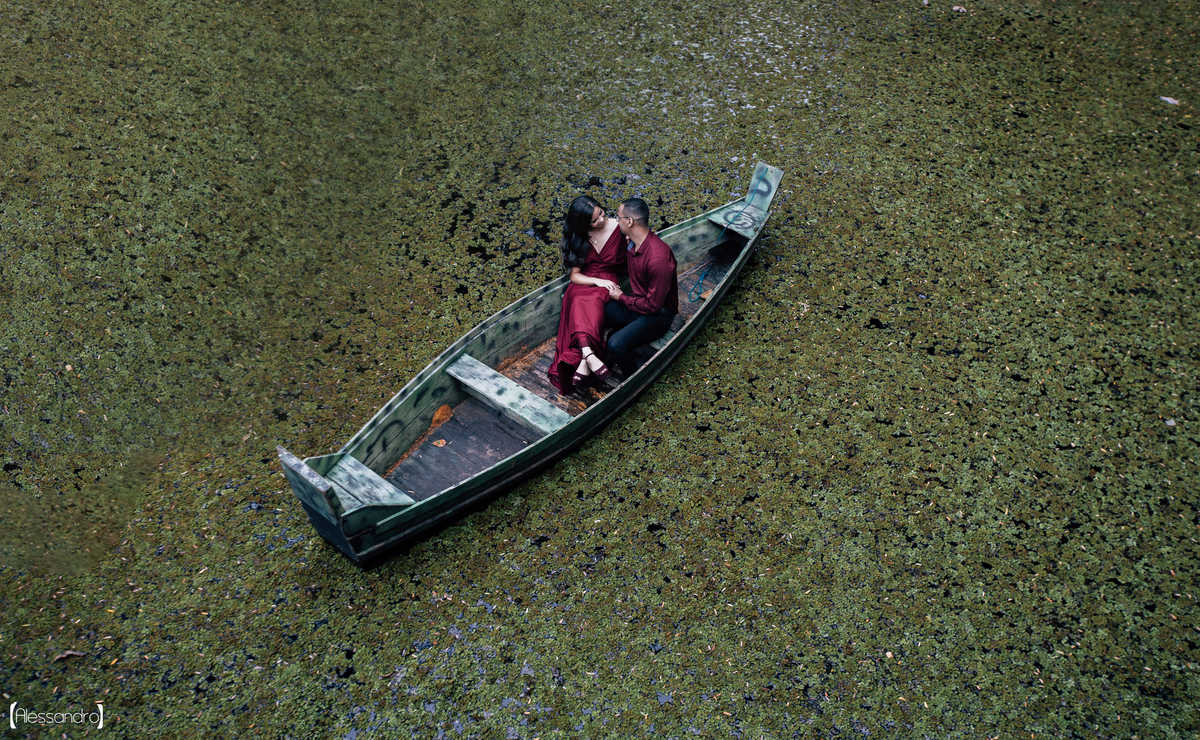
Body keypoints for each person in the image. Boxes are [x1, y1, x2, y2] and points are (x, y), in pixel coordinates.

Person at [547, 195, 627, 393]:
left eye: (601, 213)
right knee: (578, 297)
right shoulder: (579, 237)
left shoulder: (619, 226)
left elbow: (641, 242)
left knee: (589, 300)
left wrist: (630, 242)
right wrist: (596, 281)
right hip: (586, 280)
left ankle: (585, 356)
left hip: (608, 279)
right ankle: (588, 356)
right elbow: (574, 275)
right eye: (594, 220)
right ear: (583, 224)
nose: (601, 220)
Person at [603, 197, 678, 377]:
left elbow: (653, 306)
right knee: (597, 311)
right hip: (636, 304)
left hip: (658, 316)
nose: (616, 221)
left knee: (615, 343)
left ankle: (632, 380)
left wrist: (621, 297)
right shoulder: (632, 244)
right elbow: (625, 269)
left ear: (629, 221)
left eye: (618, 217)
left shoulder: (658, 258)